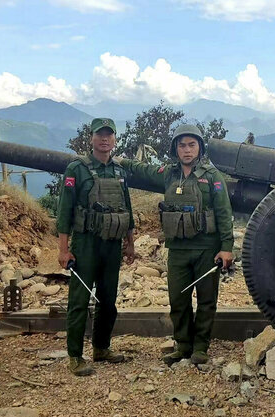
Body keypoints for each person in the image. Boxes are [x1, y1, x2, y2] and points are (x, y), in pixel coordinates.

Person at [117, 124, 234, 365]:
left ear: (199, 148)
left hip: (206, 249)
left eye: (192, 145)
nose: (187, 150)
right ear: (175, 149)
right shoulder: (169, 174)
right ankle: (183, 345)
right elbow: (145, 170)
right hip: (178, 250)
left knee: (206, 299)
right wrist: (123, 162)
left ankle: (200, 347)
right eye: (182, 145)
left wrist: (226, 247)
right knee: (178, 299)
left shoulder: (212, 176)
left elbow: (223, 212)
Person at [56, 117, 136, 376]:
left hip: (112, 245)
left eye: (109, 135)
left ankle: (102, 348)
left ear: (115, 139)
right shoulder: (76, 169)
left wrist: (130, 244)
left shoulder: (119, 171)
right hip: (86, 243)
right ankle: (75, 356)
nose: (104, 139)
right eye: (99, 135)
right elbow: (65, 212)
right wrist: (63, 250)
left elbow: (127, 209)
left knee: (108, 300)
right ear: (91, 138)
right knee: (79, 301)